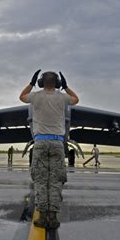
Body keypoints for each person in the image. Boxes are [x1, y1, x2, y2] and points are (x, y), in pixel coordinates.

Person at [19, 69, 79, 229]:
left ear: (40, 83)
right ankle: (53, 217)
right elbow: (76, 99)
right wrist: (66, 87)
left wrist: (31, 84)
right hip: (58, 144)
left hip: (40, 143)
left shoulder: (35, 96)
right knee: (55, 180)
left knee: (40, 180)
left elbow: (22, 97)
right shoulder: (63, 98)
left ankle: (43, 216)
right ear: (58, 83)